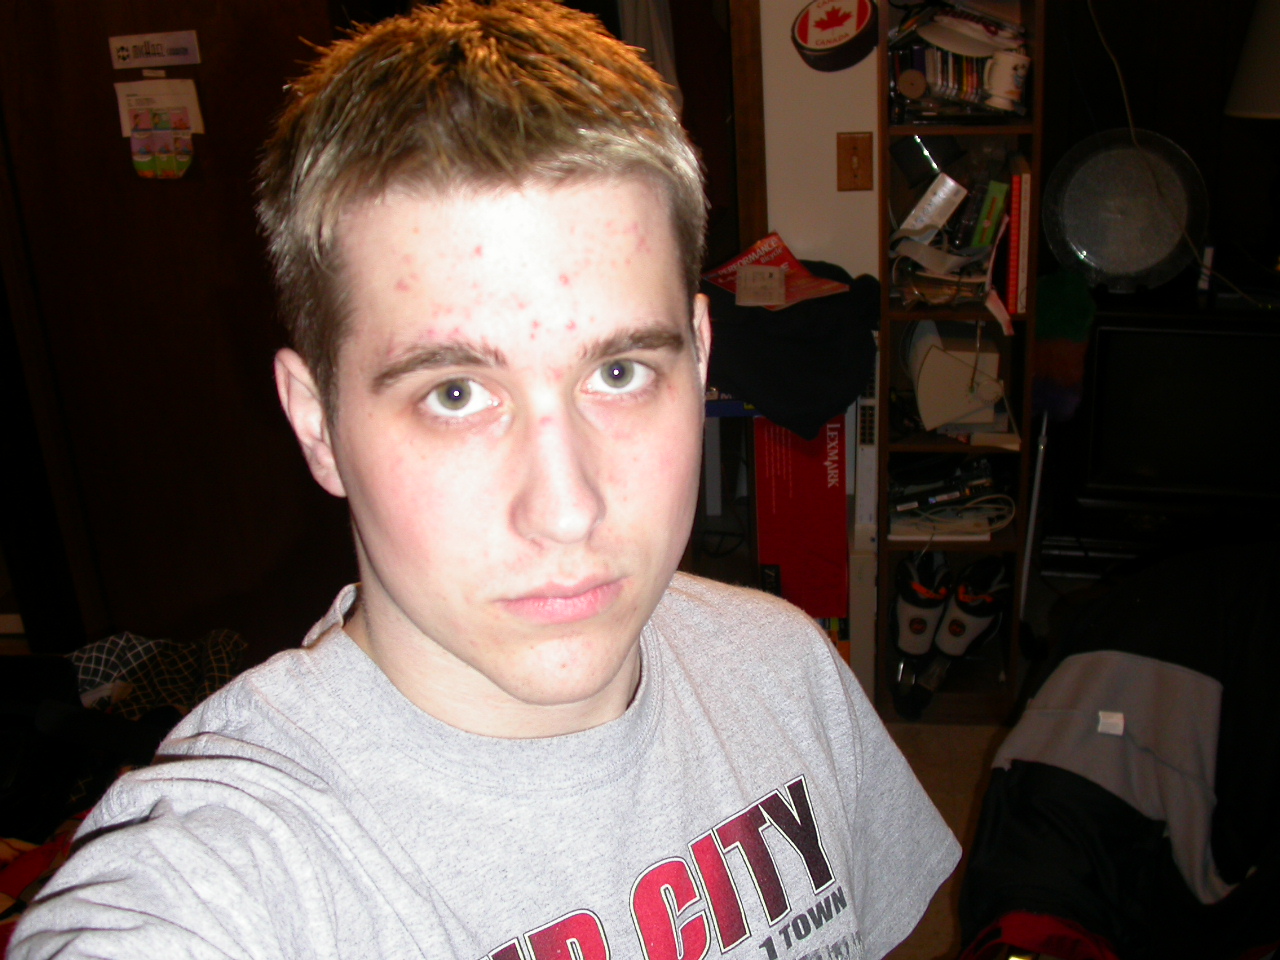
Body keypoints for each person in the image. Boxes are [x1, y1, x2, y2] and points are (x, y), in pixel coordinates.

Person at [9, 3, 958, 958]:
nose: (567, 509)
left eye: (618, 372)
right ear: (317, 423)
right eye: (456, 393)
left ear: (703, 359)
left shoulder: (787, 672)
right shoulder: (232, 871)